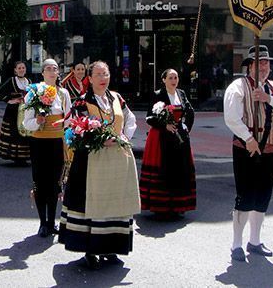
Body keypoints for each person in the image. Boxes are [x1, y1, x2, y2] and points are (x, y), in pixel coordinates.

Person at [59, 61, 139, 268]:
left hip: (117, 159)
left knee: (115, 201)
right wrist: (99, 140)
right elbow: (75, 127)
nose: (103, 78)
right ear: (90, 78)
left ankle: (111, 247)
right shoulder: (82, 102)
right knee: (92, 202)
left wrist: (124, 136)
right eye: (98, 74)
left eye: (106, 74)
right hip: (91, 160)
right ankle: (90, 249)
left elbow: (129, 119)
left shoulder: (117, 98)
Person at [223, 45, 273, 262]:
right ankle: (236, 244)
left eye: (267, 63)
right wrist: (249, 138)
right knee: (245, 197)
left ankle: (254, 241)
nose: (265, 67)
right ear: (250, 66)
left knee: (262, 197)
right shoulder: (238, 87)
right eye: (260, 63)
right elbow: (232, 117)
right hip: (247, 150)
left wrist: (267, 98)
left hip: (270, 150)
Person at [22, 58, 71, 237]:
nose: (52, 71)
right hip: (39, 142)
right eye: (48, 69)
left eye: (55, 69)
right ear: (42, 73)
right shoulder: (33, 93)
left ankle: (52, 222)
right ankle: (43, 222)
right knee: (40, 182)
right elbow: (26, 123)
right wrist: (38, 121)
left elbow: (70, 119)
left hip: (57, 142)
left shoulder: (63, 93)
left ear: (58, 73)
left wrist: (63, 123)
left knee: (55, 183)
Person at [139, 68, 196, 217]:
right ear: (164, 80)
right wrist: (165, 125)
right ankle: (161, 207)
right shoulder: (158, 94)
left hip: (179, 139)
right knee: (164, 170)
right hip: (161, 138)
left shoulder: (181, 94)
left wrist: (186, 127)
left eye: (175, 77)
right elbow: (149, 117)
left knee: (179, 170)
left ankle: (178, 205)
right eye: (170, 77)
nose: (174, 80)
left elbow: (190, 111)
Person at [0, 61, 31, 163]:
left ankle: (23, 156)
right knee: (14, 132)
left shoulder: (29, 81)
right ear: (15, 70)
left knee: (24, 132)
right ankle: (13, 155)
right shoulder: (11, 81)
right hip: (13, 112)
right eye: (19, 68)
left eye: (23, 68)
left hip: (25, 111)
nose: (21, 70)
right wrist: (10, 100)